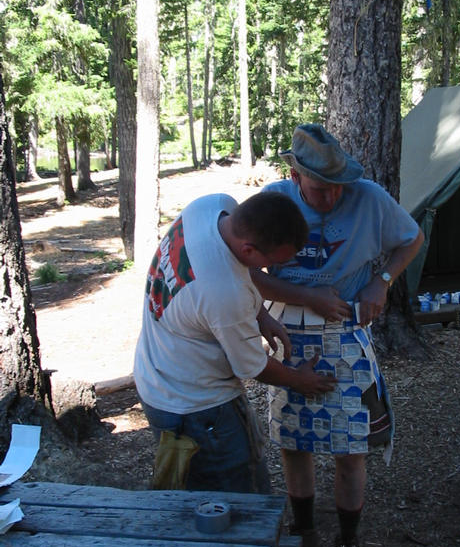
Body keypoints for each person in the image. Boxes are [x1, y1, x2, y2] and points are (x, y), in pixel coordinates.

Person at [251, 124, 424, 547]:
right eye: (319, 190)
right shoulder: (274, 202)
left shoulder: (368, 198)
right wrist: (307, 297)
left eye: (337, 188)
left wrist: (381, 282)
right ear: (295, 176)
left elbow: (411, 238)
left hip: (346, 330)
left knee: (352, 447)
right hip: (287, 331)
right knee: (295, 443)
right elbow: (246, 269)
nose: (330, 198)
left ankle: (349, 543)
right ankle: (304, 535)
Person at [133, 190, 337, 494]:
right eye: (271, 262)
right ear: (249, 249)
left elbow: (241, 271)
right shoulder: (224, 292)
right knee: (239, 497)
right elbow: (254, 367)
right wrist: (300, 380)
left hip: (158, 375)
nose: (271, 269)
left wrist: (260, 314)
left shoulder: (210, 207)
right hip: (198, 408)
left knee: (196, 491)